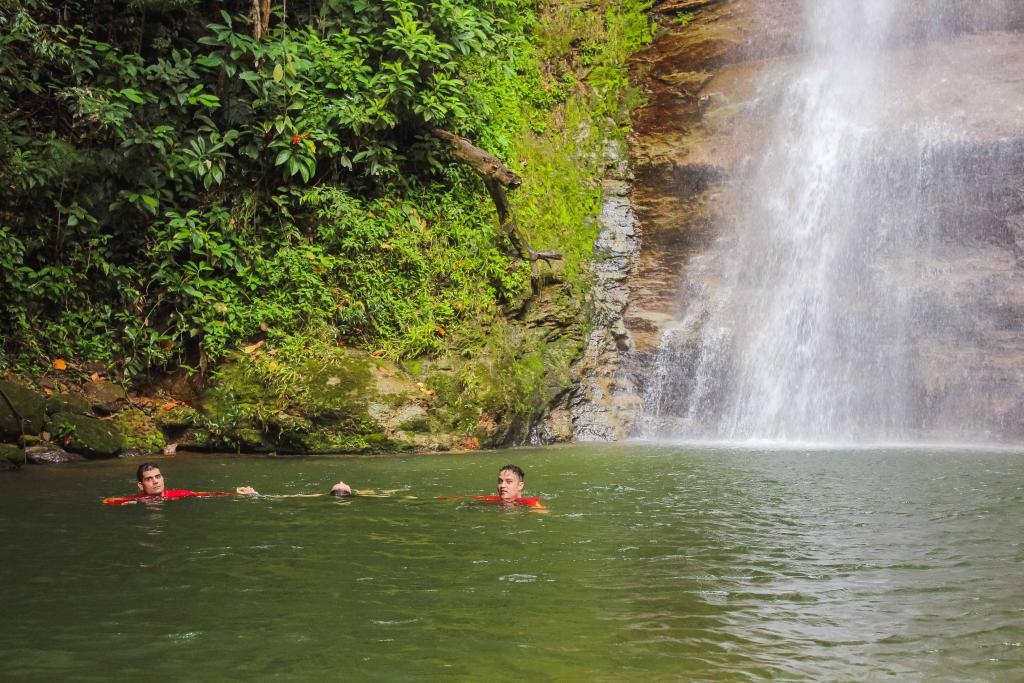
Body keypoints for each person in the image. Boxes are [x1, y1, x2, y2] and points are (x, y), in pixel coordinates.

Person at [102, 462, 258, 505]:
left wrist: (235, 493)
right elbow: (107, 501)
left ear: (163, 478)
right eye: (149, 479)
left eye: (158, 476)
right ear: (141, 485)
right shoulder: (136, 499)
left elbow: (206, 494)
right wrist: (137, 503)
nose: (155, 481)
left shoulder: (176, 494)